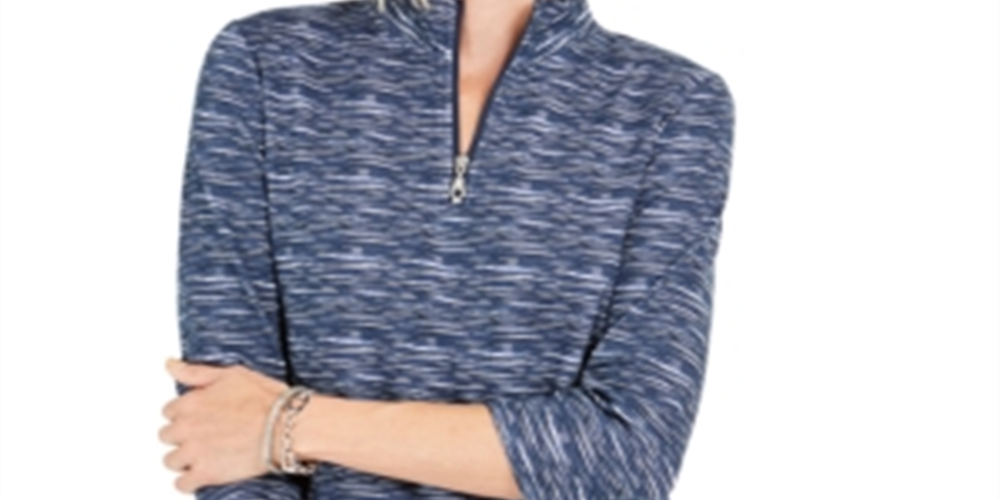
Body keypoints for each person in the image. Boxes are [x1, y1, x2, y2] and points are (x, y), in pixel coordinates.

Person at [158, 0, 735, 498]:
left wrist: (291, 424)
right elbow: (221, 429)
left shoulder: (672, 106)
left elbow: (630, 457)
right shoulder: (267, 64)